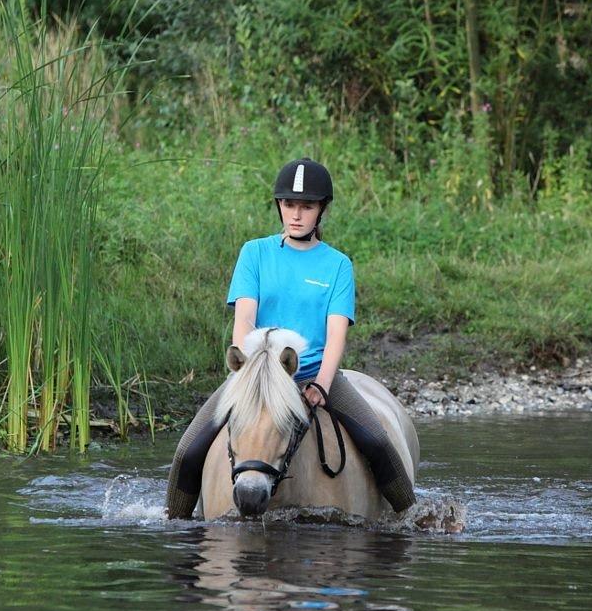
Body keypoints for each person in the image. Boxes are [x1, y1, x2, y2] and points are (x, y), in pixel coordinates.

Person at [165, 158, 416, 519]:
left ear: (321, 210)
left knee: (378, 441)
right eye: (289, 204)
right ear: (279, 206)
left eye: (307, 206)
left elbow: (335, 338)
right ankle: (175, 524)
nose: (296, 214)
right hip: (257, 378)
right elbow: (245, 320)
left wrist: (322, 387)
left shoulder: (338, 265)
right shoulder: (254, 253)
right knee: (188, 450)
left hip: (313, 375)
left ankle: (413, 518)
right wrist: (247, 372)